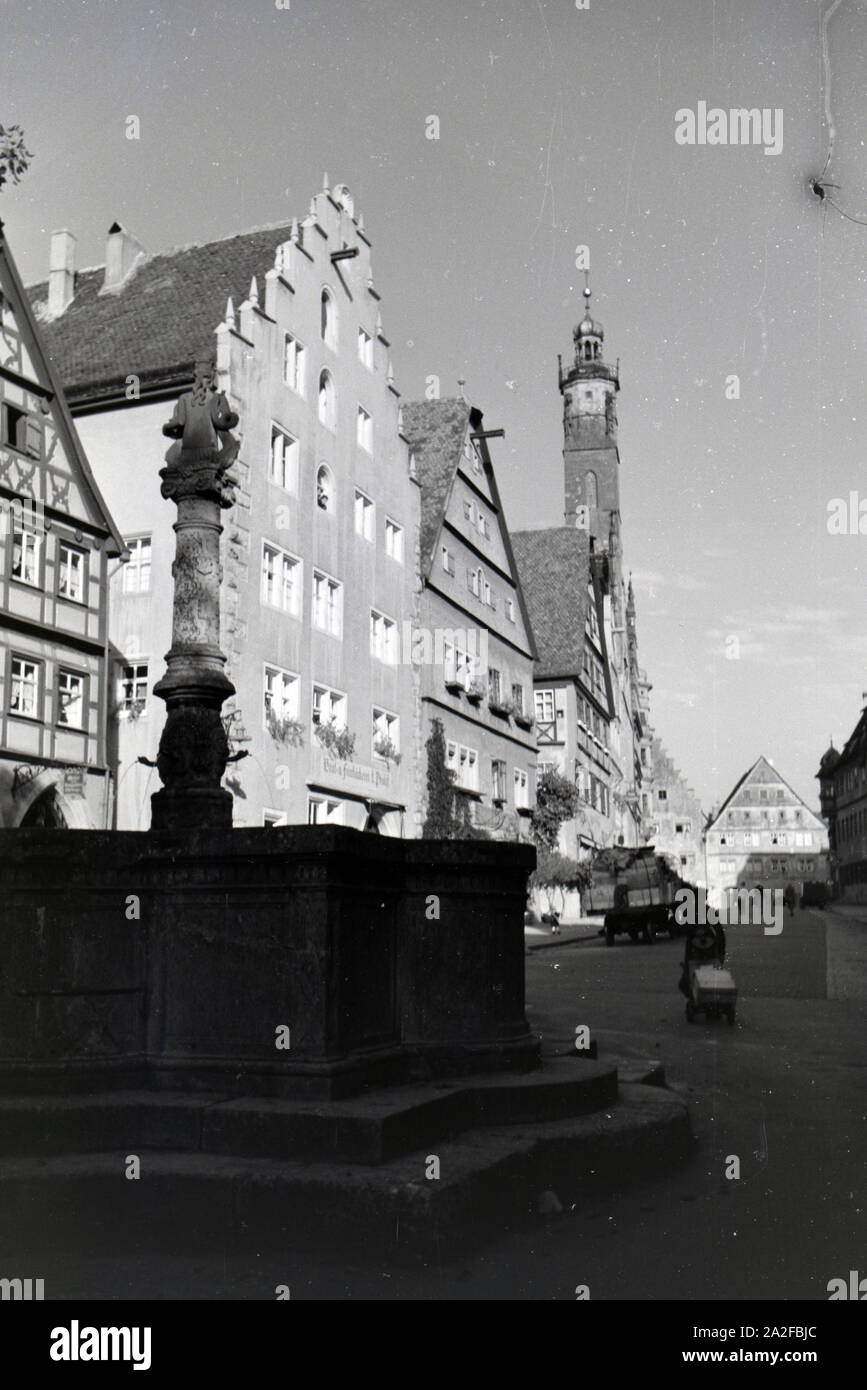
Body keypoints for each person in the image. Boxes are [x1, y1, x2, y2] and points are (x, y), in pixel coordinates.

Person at [678, 918, 726, 997]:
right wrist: (721, 953)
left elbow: (682, 929)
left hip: (697, 953)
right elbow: (720, 934)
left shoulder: (689, 912)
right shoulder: (708, 912)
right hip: (707, 952)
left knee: (688, 982)